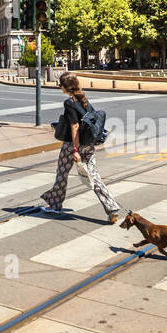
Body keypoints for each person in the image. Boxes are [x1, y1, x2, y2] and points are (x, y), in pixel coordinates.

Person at [40, 72, 121, 223]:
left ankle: (55, 205)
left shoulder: (69, 103)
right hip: (88, 145)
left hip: (73, 145)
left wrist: (75, 150)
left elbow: (75, 126)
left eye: (60, 84)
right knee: (94, 176)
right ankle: (111, 206)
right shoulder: (83, 99)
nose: (60, 87)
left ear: (65, 86)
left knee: (62, 174)